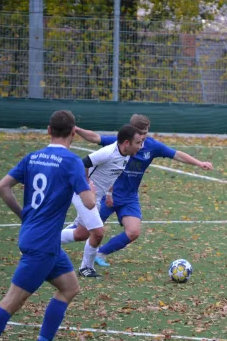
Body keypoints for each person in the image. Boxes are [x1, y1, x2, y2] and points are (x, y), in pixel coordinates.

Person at [0, 110, 98, 341]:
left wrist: (24, 215)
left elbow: (2, 187)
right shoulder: (71, 161)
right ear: (73, 134)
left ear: (48, 132)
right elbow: (88, 203)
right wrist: (91, 189)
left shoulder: (33, 157)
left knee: (70, 287)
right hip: (41, 246)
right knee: (10, 303)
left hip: (45, 242)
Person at [75, 114, 213, 267]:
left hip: (129, 198)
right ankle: (52, 241)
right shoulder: (121, 142)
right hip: (108, 195)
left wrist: (199, 163)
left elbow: (177, 154)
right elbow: (95, 138)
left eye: (145, 133)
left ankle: (101, 253)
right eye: (139, 133)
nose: (142, 137)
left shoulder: (152, 146)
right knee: (82, 231)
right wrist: (75, 129)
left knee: (133, 232)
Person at [61, 124, 145, 278]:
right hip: (84, 194)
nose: (141, 146)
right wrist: (86, 185)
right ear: (127, 143)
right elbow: (82, 163)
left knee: (81, 233)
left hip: (97, 197)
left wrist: (109, 193)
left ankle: (45, 241)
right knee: (98, 232)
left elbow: (111, 174)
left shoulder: (126, 155)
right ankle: (86, 267)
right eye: (139, 143)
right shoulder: (107, 153)